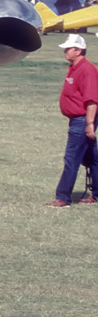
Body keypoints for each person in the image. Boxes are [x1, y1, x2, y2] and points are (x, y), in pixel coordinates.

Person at [49, 33, 98, 207]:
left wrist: (89, 124)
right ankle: (97, 194)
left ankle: (63, 197)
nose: (65, 51)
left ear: (78, 50)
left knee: (71, 159)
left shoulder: (87, 70)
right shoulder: (74, 67)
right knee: (91, 159)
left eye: (68, 49)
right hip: (77, 120)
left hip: (82, 120)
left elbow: (92, 100)